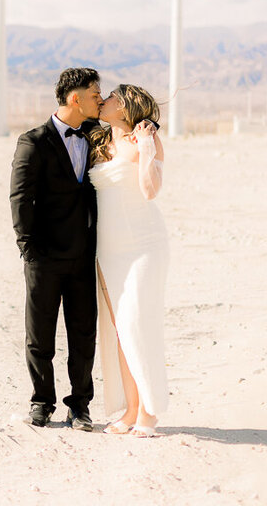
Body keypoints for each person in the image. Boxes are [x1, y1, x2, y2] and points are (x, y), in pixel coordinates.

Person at [10, 67, 103, 430]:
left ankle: (79, 405)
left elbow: (132, 127)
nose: (100, 99)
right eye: (96, 94)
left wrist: (150, 127)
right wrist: (28, 248)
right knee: (40, 334)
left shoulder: (96, 136)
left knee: (83, 333)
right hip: (44, 256)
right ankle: (42, 401)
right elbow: (20, 197)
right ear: (75, 98)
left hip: (83, 254)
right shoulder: (34, 141)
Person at [87, 84, 169, 438]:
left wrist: (148, 148)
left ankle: (150, 411)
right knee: (121, 331)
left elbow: (150, 190)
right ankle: (131, 409)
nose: (102, 100)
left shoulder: (145, 141)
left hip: (144, 245)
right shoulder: (98, 141)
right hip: (108, 249)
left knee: (138, 323)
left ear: (125, 106)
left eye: (111, 98)